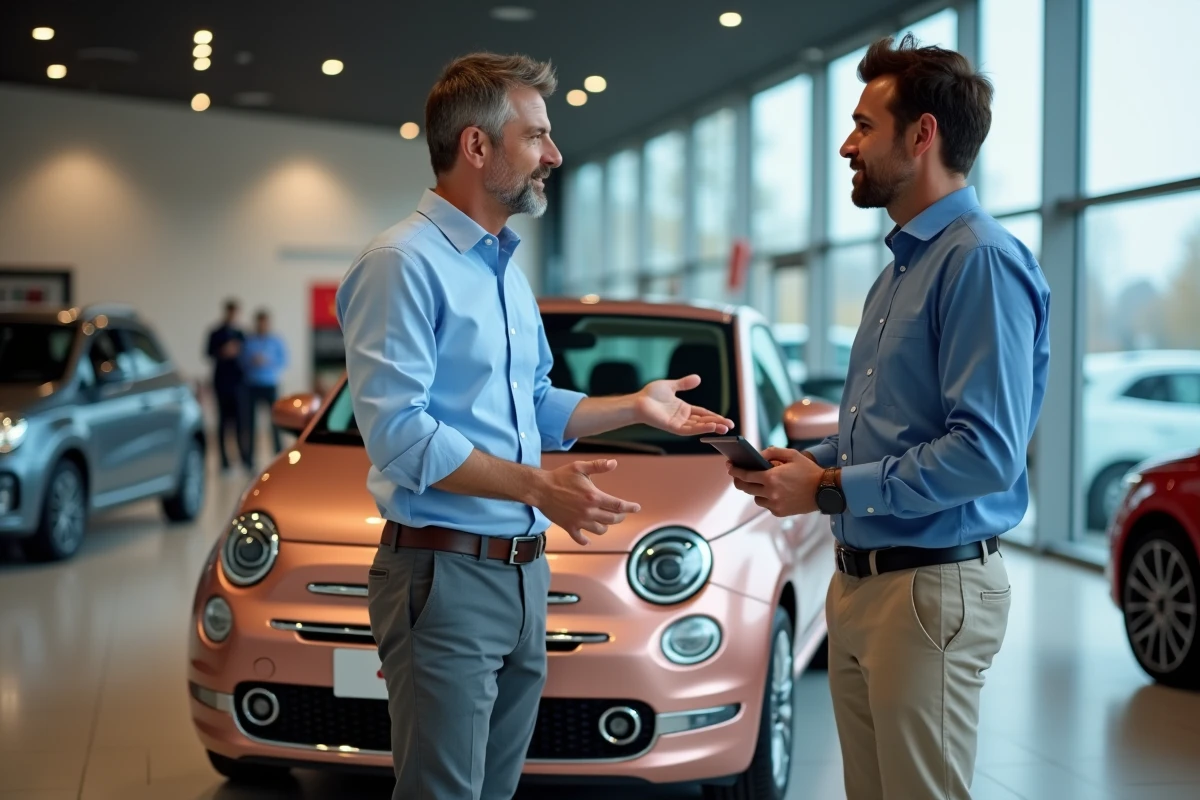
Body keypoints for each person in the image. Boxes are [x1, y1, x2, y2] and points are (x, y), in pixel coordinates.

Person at [335, 52, 734, 800]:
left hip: (521, 572)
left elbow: (535, 401)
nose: (553, 155)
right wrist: (539, 488)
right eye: (536, 136)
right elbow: (402, 435)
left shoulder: (503, 272)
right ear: (476, 146)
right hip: (444, 573)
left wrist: (634, 407)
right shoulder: (401, 263)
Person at [725, 34, 1050, 800]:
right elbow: (894, 427)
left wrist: (831, 487)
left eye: (864, 125)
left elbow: (984, 453)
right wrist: (805, 462)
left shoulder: (979, 261)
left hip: (929, 588)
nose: (847, 144)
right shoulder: (900, 270)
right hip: (865, 583)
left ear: (923, 135)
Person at [238, 308, 288, 468]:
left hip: (270, 385)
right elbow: (241, 362)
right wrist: (252, 361)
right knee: (250, 423)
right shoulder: (249, 341)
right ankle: (249, 460)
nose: (262, 325)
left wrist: (268, 361)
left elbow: (284, 361)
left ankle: (278, 455)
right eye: (260, 322)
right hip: (252, 385)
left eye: (265, 322)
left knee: (274, 422)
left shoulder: (276, 341)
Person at [204, 299, 245, 471]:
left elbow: (247, 355)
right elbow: (207, 353)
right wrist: (223, 351)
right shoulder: (215, 333)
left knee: (240, 422)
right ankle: (224, 462)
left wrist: (237, 351)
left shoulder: (241, 334)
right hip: (221, 381)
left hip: (239, 382)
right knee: (223, 422)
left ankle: (244, 459)